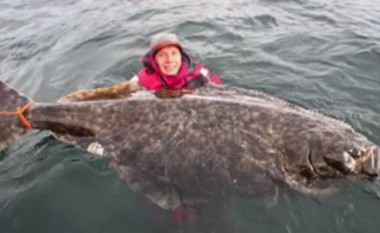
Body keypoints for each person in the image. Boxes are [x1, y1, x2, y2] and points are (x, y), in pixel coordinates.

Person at [59, 32, 222, 102]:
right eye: (162, 55)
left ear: (181, 55)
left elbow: (219, 91)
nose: (169, 60)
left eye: (173, 53)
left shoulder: (199, 73)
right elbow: (119, 98)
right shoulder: (142, 79)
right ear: (154, 59)